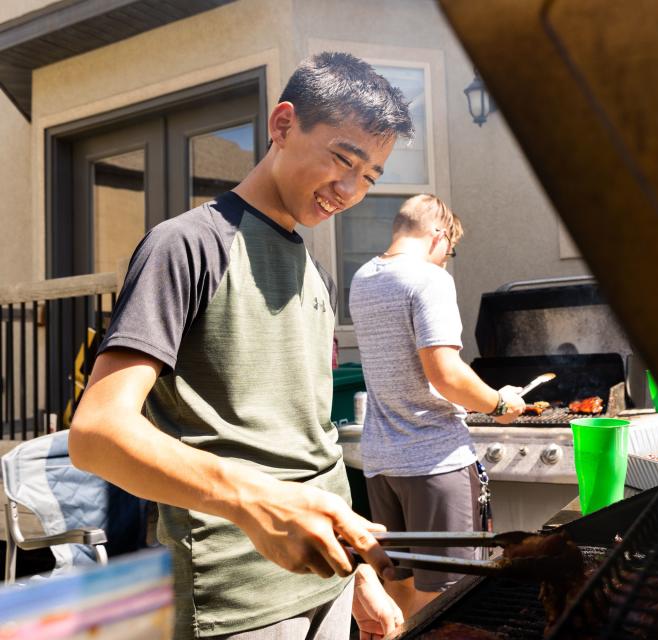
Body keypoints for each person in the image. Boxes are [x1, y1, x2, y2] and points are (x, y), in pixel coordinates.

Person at [69, 52, 414, 640]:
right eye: (342, 159)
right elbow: (97, 434)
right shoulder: (186, 245)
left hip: (325, 583)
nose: (350, 189)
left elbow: (310, 440)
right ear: (283, 126)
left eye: (370, 178)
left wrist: (357, 576)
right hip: (231, 602)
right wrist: (255, 498)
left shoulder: (314, 272)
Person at [348, 194, 525, 618]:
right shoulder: (429, 279)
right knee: (450, 601)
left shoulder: (363, 277)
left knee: (400, 590)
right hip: (435, 462)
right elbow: (444, 374)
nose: (449, 259)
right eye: (451, 249)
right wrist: (499, 402)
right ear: (438, 235)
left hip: (381, 464)